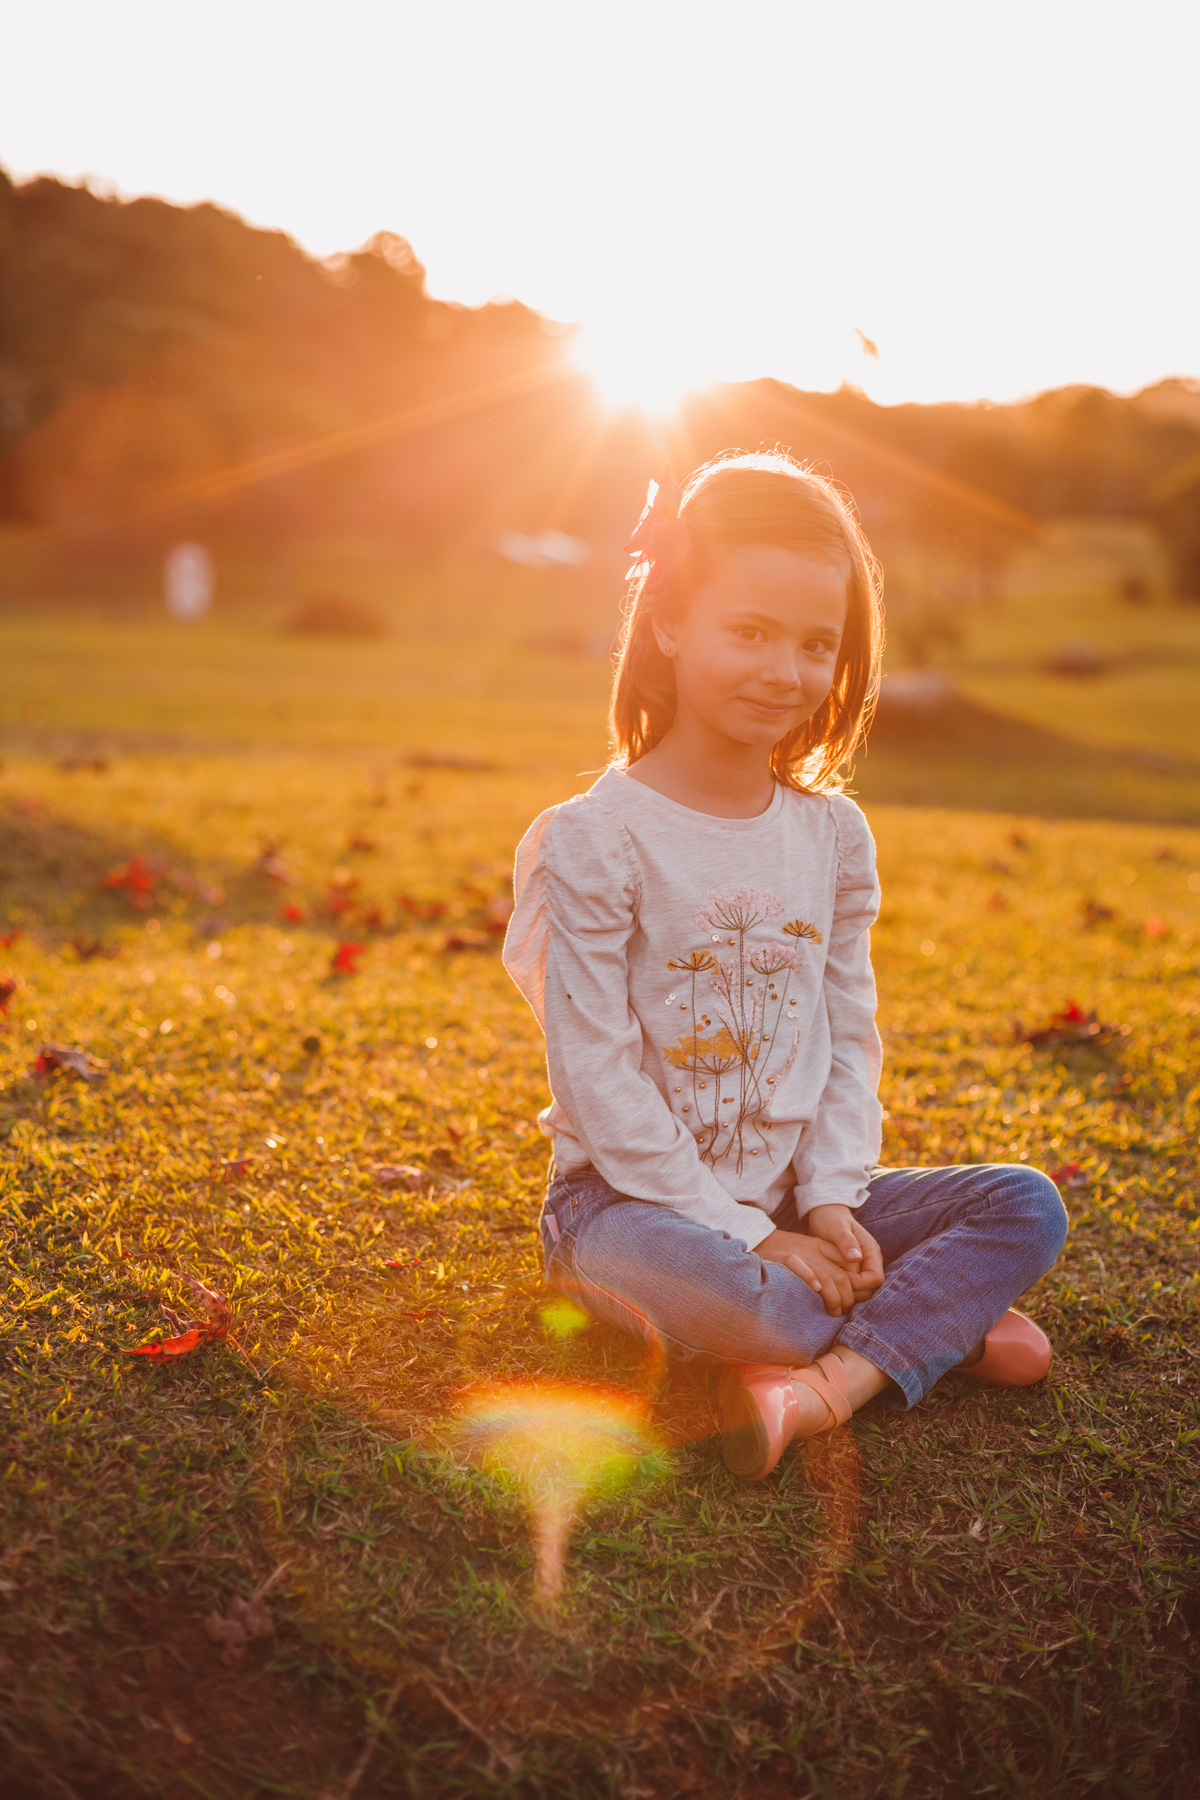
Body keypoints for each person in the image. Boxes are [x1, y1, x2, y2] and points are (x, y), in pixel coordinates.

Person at [503, 452, 1068, 1481]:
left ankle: (827, 1385)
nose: (785, 671)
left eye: (817, 644)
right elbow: (596, 1075)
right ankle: (938, 1326)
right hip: (626, 1216)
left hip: (791, 1200)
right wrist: (750, 1237)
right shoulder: (593, 840)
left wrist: (835, 1204)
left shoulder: (834, 836)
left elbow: (847, 1035)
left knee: (1026, 1203)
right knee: (771, 1300)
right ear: (670, 624)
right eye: (749, 631)